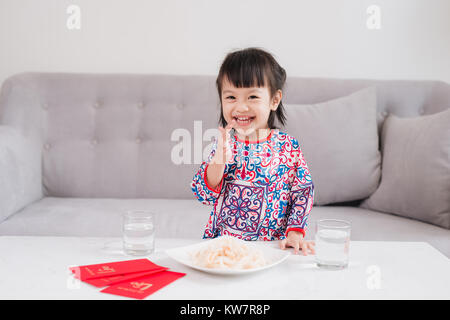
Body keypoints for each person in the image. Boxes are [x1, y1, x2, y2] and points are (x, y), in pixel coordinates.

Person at [191, 47, 315, 255]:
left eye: (252, 97)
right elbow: (203, 194)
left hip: (271, 247)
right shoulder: (223, 143)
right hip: (225, 246)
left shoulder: (287, 146)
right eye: (231, 97)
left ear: (274, 100)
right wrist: (219, 161)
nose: (241, 107)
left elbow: (302, 192)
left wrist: (295, 233)